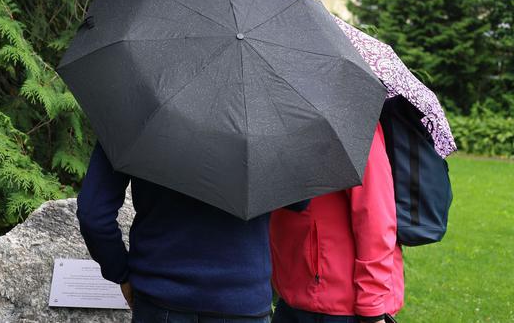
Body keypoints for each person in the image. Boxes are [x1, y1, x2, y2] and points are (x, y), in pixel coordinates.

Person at [77, 142, 307, 322]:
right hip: (243, 299)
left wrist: (121, 273)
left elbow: (93, 214)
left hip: (159, 294)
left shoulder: (135, 108)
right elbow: (299, 200)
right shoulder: (266, 117)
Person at [270, 124, 402, 323]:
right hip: (293, 295)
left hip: (342, 303)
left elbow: (375, 217)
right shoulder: (278, 118)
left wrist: (372, 306)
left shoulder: (351, 125)